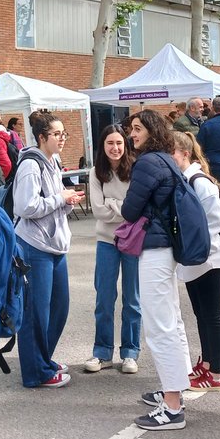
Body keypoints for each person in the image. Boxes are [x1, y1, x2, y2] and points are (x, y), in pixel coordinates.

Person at [121, 110, 191, 431]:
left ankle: (172, 406)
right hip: (166, 248)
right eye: (131, 129)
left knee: (160, 326)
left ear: (151, 131)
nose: (131, 134)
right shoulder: (165, 159)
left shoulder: (147, 163)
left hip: (155, 248)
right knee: (171, 322)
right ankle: (175, 390)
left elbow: (129, 209)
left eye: (137, 129)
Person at [13, 110, 85, 389]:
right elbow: (25, 206)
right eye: (57, 134)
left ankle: (43, 360)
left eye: (63, 133)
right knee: (35, 312)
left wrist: (66, 201)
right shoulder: (31, 165)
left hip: (53, 246)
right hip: (34, 246)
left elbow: (51, 203)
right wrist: (60, 199)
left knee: (58, 308)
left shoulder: (52, 161)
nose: (62, 138)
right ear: (42, 137)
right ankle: (35, 372)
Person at [173, 132, 220, 392]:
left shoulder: (199, 182)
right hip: (195, 259)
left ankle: (216, 373)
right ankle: (207, 364)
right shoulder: (185, 179)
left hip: (210, 258)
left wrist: (196, 245)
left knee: (212, 317)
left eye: (171, 152)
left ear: (185, 154)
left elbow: (217, 220)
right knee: (201, 315)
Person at [85, 124, 141, 375]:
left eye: (119, 143)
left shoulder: (137, 168)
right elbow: (98, 211)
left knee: (133, 299)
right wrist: (124, 208)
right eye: (110, 143)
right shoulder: (96, 172)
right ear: (103, 145)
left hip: (133, 241)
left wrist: (113, 204)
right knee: (104, 298)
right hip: (106, 242)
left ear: (125, 144)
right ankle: (102, 352)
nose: (115, 148)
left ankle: (130, 352)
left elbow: (136, 209)